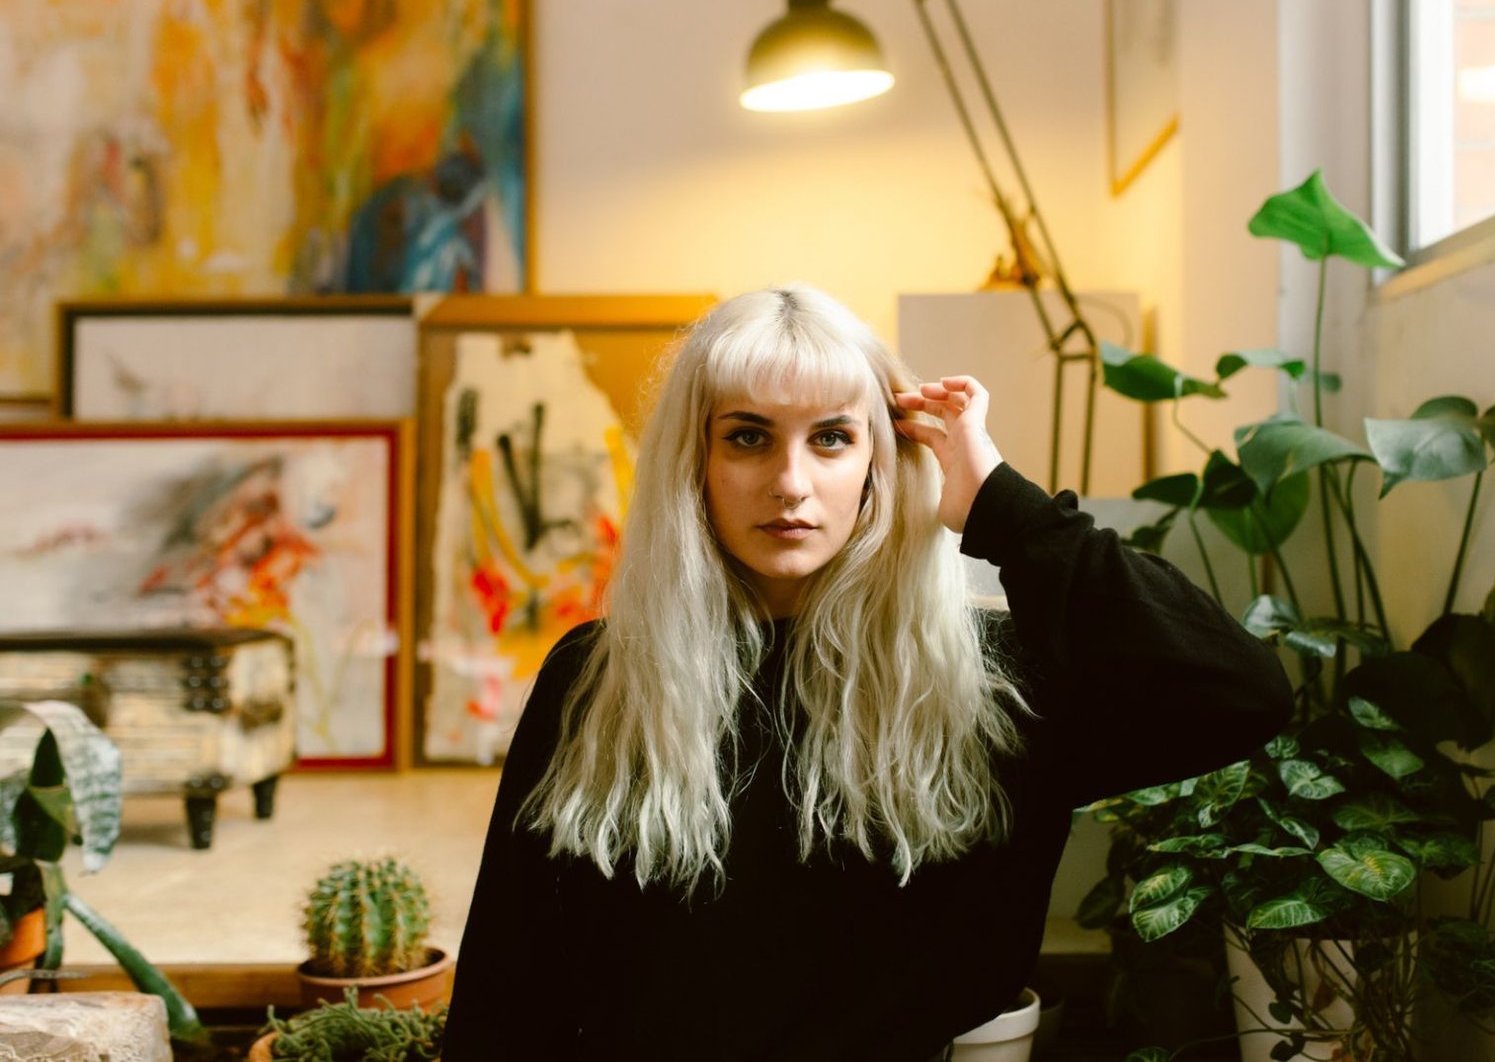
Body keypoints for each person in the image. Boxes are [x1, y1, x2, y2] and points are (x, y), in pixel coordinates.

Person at [442, 284, 1292, 1060]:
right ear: (692, 462)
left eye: (831, 438)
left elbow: (1241, 692)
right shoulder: (596, 679)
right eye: (748, 437)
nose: (790, 482)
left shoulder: (990, 681)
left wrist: (1001, 504)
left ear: (880, 461)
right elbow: (507, 991)